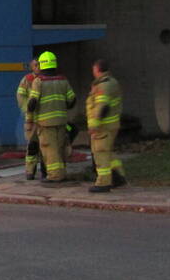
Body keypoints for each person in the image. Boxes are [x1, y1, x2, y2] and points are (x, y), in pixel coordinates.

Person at [26, 51, 76, 185]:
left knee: (50, 150)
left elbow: (32, 102)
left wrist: (30, 112)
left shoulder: (39, 82)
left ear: (42, 65)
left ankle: (54, 176)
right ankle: (62, 173)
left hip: (45, 123)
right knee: (60, 148)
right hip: (61, 121)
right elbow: (72, 100)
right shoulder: (63, 80)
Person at [86, 58, 127, 193]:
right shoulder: (112, 82)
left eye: (93, 69)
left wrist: (94, 126)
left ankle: (103, 182)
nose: (93, 72)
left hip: (103, 126)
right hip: (112, 124)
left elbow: (102, 107)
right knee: (108, 151)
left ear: (97, 69)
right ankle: (118, 176)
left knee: (100, 153)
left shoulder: (103, 86)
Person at [16, 58, 42, 180]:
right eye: (36, 65)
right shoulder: (27, 80)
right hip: (31, 118)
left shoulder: (45, 79)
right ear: (32, 67)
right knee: (32, 145)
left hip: (43, 117)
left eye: (40, 65)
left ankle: (46, 170)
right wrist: (28, 109)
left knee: (46, 146)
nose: (38, 67)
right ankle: (30, 171)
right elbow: (20, 96)